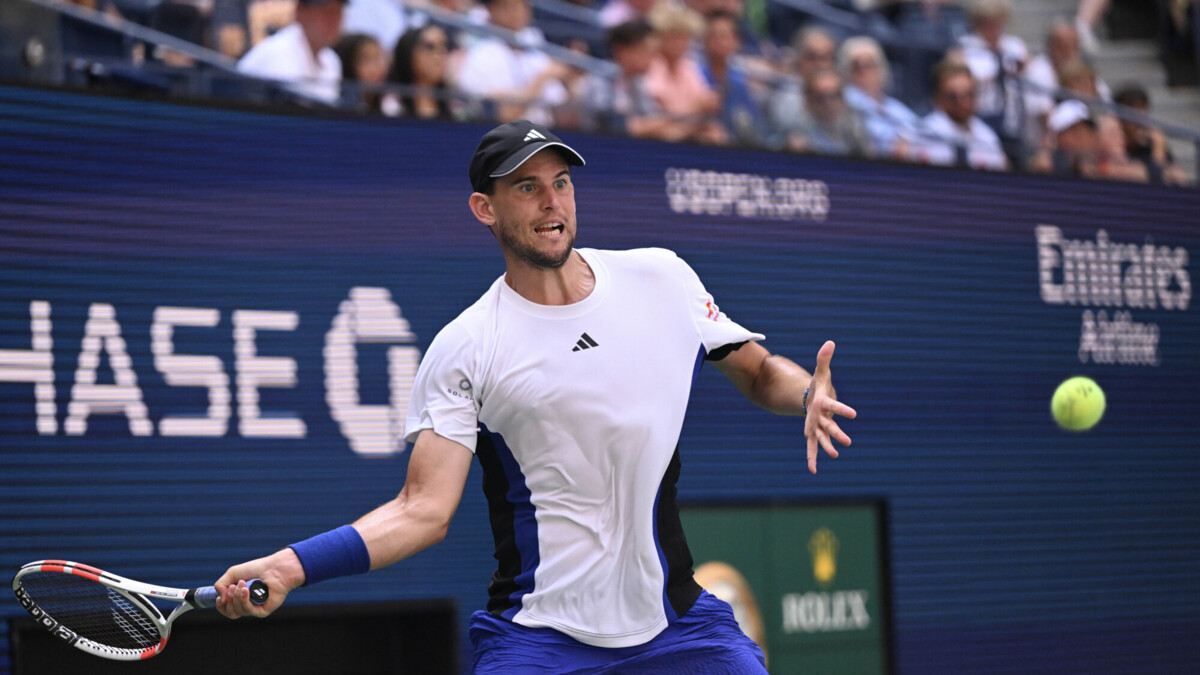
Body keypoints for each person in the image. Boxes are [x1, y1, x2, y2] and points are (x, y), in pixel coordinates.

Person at [213, 119, 857, 673]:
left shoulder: (661, 278)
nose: (552, 203)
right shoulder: (467, 346)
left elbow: (755, 370)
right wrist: (294, 567)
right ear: (484, 208)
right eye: (527, 187)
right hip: (540, 642)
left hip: (679, 628)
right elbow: (422, 510)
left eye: (562, 183)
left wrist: (805, 393)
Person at [454, 0, 572, 125]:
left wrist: (570, 83)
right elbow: (504, 115)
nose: (517, 13)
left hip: (544, 134)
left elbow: (563, 111)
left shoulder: (535, 45)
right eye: (508, 7)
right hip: (507, 139)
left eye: (522, 6)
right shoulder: (482, 54)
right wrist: (543, 79)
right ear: (491, 11)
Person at [237, 0, 347, 104]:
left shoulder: (331, 60)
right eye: (326, 10)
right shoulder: (279, 54)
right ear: (299, 12)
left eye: (338, 10)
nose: (334, 19)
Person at [914, 59, 1009, 170]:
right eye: (953, 97)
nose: (961, 103)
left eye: (967, 95)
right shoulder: (920, 134)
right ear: (937, 98)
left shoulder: (987, 138)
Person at [839, 35, 920, 158]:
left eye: (869, 65)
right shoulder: (845, 100)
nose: (863, 72)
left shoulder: (894, 106)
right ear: (846, 70)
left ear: (880, 68)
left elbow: (919, 131)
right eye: (856, 66)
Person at [386, 25, 460, 119]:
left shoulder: (457, 110)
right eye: (430, 47)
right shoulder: (390, 108)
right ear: (408, 53)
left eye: (444, 46)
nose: (439, 55)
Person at [333, 32, 390, 112]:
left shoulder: (391, 106)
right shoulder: (338, 107)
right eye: (366, 60)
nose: (376, 67)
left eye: (378, 58)